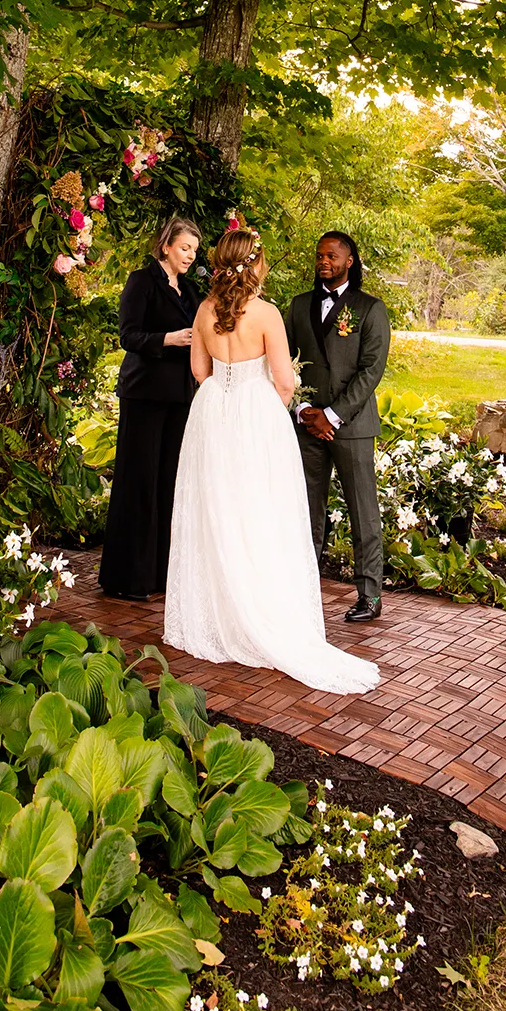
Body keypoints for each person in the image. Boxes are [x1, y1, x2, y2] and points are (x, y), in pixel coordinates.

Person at [165, 226, 379, 695]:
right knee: (260, 512)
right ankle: (261, 609)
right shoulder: (264, 314)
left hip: (211, 416)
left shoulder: (203, 311)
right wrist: (268, 405)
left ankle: (220, 613)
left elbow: (199, 371)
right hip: (255, 416)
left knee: (216, 512)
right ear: (255, 265)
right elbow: (284, 381)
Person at [285, 231, 391, 624]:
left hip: (352, 426)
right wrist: (303, 410)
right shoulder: (297, 307)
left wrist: (333, 415)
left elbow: (370, 372)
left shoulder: (370, 309)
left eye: (331, 255)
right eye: (319, 255)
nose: (323, 260)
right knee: (306, 511)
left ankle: (369, 595)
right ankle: (303, 590)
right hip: (307, 426)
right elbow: (283, 364)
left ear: (350, 261)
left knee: (363, 512)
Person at [99, 216, 202, 601]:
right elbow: (128, 334)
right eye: (184, 248)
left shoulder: (189, 290)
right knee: (139, 481)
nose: (190, 255)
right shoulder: (141, 281)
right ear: (166, 247)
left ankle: (159, 575)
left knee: (167, 483)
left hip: (179, 395)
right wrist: (167, 339)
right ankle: (128, 578)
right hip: (143, 394)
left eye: (194, 249)